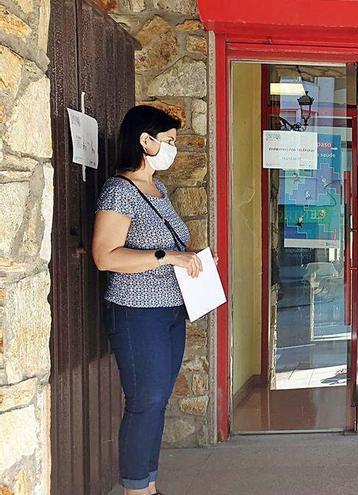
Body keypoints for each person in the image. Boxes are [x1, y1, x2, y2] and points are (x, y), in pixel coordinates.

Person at [92, 105, 204, 495]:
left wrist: (193, 260)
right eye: (169, 141)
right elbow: (106, 256)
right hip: (138, 311)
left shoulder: (159, 190)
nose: (173, 149)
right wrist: (167, 256)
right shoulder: (119, 191)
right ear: (146, 141)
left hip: (170, 309)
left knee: (158, 399)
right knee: (145, 400)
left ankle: (149, 482)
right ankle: (137, 489)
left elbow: (174, 245)